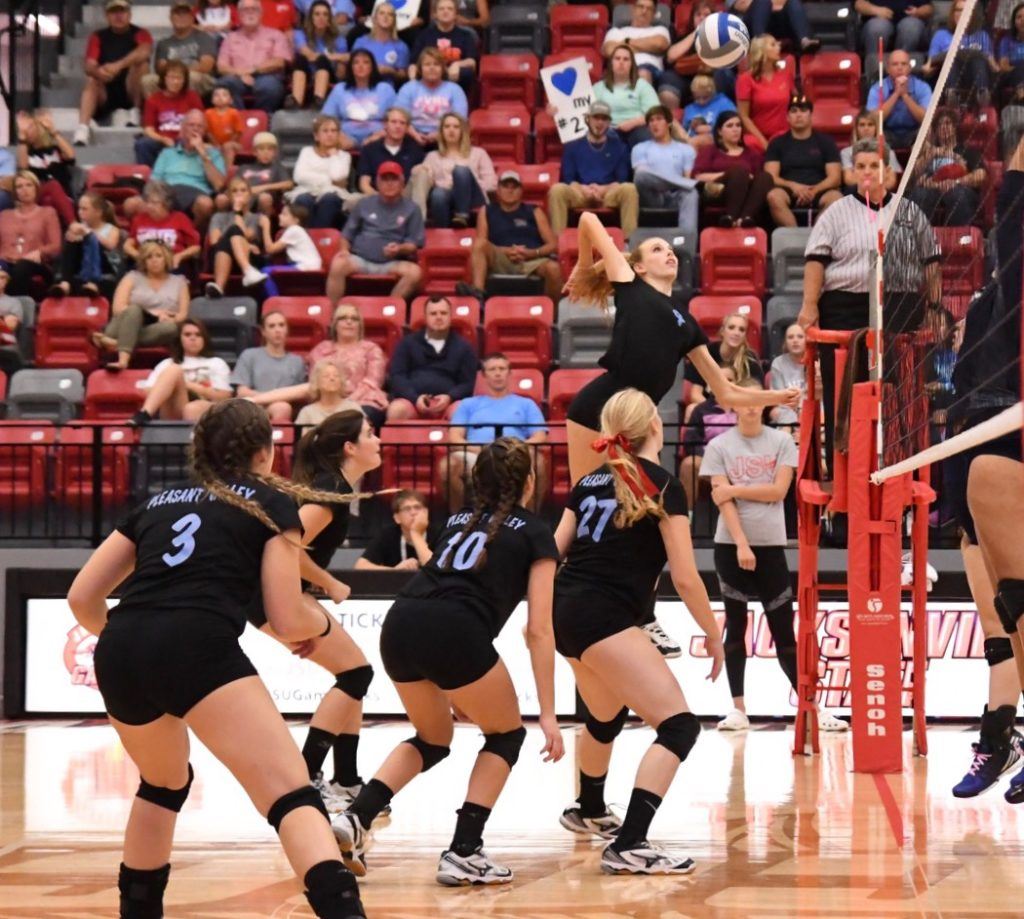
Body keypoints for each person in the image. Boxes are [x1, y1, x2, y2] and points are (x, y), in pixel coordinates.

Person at [66, 398, 367, 919]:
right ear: (264, 451)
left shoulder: (156, 503)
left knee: (163, 784)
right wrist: (318, 626)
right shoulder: (269, 502)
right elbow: (286, 614)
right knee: (292, 795)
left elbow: (81, 599)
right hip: (197, 642)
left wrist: (134, 637)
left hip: (121, 648)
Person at [332, 437, 564, 886]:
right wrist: (550, 715)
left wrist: (453, 682)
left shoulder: (454, 522)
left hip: (401, 623)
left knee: (433, 738)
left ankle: (355, 818)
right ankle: (464, 850)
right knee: (507, 735)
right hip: (454, 630)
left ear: (477, 482)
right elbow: (538, 629)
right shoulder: (536, 532)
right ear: (530, 482)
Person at [551, 388, 724, 872]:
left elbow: (551, 550)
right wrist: (713, 634)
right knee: (679, 727)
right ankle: (630, 842)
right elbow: (686, 577)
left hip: (565, 610)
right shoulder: (664, 484)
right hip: (605, 614)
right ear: (655, 426)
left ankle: (587, 810)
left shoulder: (588, 481)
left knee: (605, 716)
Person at [562, 211, 799, 484]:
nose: (669, 253)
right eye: (657, 249)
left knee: (647, 505)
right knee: (585, 502)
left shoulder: (687, 323)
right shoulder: (630, 283)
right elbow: (588, 220)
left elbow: (727, 393)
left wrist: (778, 397)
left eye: (671, 250)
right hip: (598, 407)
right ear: (639, 267)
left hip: (641, 420)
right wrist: (582, 265)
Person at [244, 411, 384, 818]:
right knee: (357, 675)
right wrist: (331, 583)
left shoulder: (335, 488)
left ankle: (347, 779)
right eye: (370, 434)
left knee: (354, 673)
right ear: (350, 447)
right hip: (271, 593)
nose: (378, 440)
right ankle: (308, 777)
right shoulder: (327, 492)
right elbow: (284, 545)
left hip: (281, 593)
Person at [939, 134, 1024, 799]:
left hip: (1006, 425)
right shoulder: (999, 288)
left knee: (1015, 599)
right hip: (969, 429)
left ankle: (1001, 735)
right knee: (999, 613)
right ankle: (999, 735)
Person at [701, 379, 848, 733]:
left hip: (771, 547)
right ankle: (738, 709)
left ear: (765, 404)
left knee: (784, 632)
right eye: (743, 399)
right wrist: (740, 544)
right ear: (734, 404)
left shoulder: (781, 441)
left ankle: (812, 707)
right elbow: (722, 503)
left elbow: (778, 491)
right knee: (736, 628)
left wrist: (734, 488)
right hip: (731, 547)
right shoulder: (719, 445)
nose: (750, 405)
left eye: (756, 399)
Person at [798, 138, 940, 475]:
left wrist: (934, 306)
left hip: (899, 306)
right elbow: (815, 260)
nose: (866, 172)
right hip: (845, 308)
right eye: (860, 166)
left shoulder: (908, 210)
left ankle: (902, 473)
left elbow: (931, 261)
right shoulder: (836, 211)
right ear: (851, 172)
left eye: (873, 166)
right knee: (843, 396)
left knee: (900, 395)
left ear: (888, 171)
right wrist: (809, 305)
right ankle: (843, 475)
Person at [438, 352, 549, 513]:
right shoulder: (468, 404)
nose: (498, 373)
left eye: (502, 369)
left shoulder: (526, 404)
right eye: (492, 369)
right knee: (448, 466)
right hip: (476, 453)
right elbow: (455, 436)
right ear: (483, 375)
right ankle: (460, 519)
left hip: (515, 452)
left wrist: (515, 448)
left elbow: (540, 436)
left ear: (509, 373)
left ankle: (528, 518)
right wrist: (478, 449)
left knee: (538, 462)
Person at [326, 162, 424, 303]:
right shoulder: (364, 204)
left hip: (392, 262)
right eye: (385, 179)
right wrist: (344, 250)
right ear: (377, 182)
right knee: (338, 263)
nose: (389, 184)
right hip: (361, 259)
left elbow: (413, 244)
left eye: (394, 179)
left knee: (415, 273)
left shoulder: (412, 209)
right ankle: (333, 315)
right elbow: (347, 234)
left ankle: (388, 308)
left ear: (402, 182)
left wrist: (399, 249)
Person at [458, 169, 562, 302]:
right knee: (479, 244)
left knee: (553, 269)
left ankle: (552, 313)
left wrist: (531, 253)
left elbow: (553, 245)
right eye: (505, 186)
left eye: (514, 187)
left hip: (531, 260)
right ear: (498, 190)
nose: (510, 190)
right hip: (500, 257)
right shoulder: (487, 211)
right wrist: (507, 251)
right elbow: (481, 241)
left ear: (521, 191)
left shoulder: (534, 211)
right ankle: (478, 294)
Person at [94, 240, 189, 370]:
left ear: (166, 258)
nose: (154, 260)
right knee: (134, 309)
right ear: (143, 261)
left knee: (171, 328)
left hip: (158, 329)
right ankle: (123, 360)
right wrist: (152, 314)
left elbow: (183, 314)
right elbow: (117, 309)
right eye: (149, 257)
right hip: (123, 325)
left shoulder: (179, 282)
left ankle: (118, 343)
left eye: (158, 256)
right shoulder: (131, 277)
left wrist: (172, 319)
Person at [548, 101, 638, 236]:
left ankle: (629, 243)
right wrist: (585, 190)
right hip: (580, 192)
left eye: (604, 119)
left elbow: (621, 180)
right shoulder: (572, 146)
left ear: (609, 122)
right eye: (596, 118)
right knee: (557, 190)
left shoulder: (619, 146)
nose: (600, 123)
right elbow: (568, 179)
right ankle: (558, 243)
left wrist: (601, 190)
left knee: (629, 189)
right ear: (587, 119)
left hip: (608, 193)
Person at [73, 0, 153, 146]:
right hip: (107, 90)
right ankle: (82, 128)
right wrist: (99, 72)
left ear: (129, 14)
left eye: (122, 11)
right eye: (114, 12)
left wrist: (118, 65)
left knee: (142, 65)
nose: (118, 16)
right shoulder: (98, 36)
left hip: (131, 89)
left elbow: (145, 51)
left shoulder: (141, 33)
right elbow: (89, 65)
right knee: (92, 79)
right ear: (107, 15)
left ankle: (135, 112)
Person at [385, 296, 477, 421]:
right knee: (396, 410)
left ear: (450, 316)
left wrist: (450, 397)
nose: (439, 317)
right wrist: (415, 398)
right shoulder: (407, 343)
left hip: (449, 404)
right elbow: (397, 376)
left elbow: (468, 383)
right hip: (412, 403)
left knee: (460, 412)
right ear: (425, 317)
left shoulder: (464, 347)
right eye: (433, 313)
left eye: (443, 313)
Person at [132, 318, 232, 424]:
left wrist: (190, 386)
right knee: (174, 369)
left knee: (191, 408)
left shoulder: (216, 362)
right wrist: (172, 387)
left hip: (206, 408)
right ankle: (144, 414)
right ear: (179, 339)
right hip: (175, 408)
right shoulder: (167, 363)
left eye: (198, 335)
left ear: (204, 339)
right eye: (187, 335)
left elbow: (224, 396)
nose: (193, 338)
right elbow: (147, 392)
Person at [764, 94, 842, 228]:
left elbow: (835, 178)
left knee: (837, 198)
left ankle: (816, 238)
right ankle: (795, 238)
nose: (798, 115)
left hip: (819, 189)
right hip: (788, 190)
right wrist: (794, 186)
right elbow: (771, 176)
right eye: (794, 111)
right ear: (787, 117)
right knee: (773, 196)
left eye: (803, 111)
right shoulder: (777, 143)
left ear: (811, 115)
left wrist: (814, 190)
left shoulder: (826, 142)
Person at [306, 303, 389, 428]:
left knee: (354, 417)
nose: (349, 322)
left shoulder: (371, 349)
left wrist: (346, 403)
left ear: (360, 325)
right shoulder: (321, 349)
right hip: (328, 401)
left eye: (354, 319)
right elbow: (317, 381)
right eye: (343, 318)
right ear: (335, 325)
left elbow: (372, 382)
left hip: (364, 401)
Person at [410, 112, 496, 228]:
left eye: (456, 127)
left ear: (463, 131)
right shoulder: (432, 156)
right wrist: (418, 170)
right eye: (447, 127)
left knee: (460, 171)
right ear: (441, 131)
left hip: (473, 199)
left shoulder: (479, 153)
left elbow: (491, 184)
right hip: (445, 201)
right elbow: (427, 181)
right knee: (438, 193)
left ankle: (462, 215)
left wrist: (463, 185)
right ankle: (442, 233)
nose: (451, 130)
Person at [693, 110, 773, 228]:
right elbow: (698, 176)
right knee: (739, 172)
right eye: (730, 126)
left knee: (766, 177)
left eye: (738, 125)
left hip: (747, 193)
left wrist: (746, 177)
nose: (735, 129)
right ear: (720, 131)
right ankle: (731, 217)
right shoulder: (710, 151)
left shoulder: (752, 153)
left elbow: (758, 180)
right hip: (718, 191)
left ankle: (744, 218)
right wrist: (729, 175)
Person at [908, 108, 986, 227]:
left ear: (955, 127)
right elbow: (913, 177)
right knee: (919, 193)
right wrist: (931, 154)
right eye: (939, 125)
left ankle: (959, 239)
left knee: (956, 193)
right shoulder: (928, 154)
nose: (943, 127)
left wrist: (956, 182)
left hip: (958, 188)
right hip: (931, 189)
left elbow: (980, 176)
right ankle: (917, 237)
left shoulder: (968, 152)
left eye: (948, 123)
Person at [150, 109, 227, 228]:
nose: (195, 129)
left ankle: (191, 236)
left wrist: (203, 153)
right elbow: (154, 181)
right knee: (132, 204)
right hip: (167, 193)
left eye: (199, 126)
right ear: (182, 128)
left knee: (205, 204)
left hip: (196, 193)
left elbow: (218, 185)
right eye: (191, 125)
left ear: (204, 131)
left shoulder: (214, 154)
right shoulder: (167, 153)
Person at [682, 311, 765, 422]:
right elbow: (695, 394)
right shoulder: (706, 353)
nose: (736, 333)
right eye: (731, 327)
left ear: (745, 335)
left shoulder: (750, 359)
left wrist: (732, 409)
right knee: (691, 409)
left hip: (739, 408)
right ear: (722, 331)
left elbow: (755, 394)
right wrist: (716, 409)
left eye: (741, 329)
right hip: (708, 406)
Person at [630, 105, 699, 237]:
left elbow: (687, 178)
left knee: (692, 192)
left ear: (668, 123)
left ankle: (686, 244)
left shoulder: (685, 149)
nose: (654, 124)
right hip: (651, 196)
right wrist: (678, 182)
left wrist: (682, 184)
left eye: (659, 119)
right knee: (641, 175)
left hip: (675, 196)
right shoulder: (640, 148)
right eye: (651, 121)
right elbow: (641, 177)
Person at [600, 0, 682, 106]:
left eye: (649, 9)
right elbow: (609, 51)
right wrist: (645, 46)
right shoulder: (616, 31)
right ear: (633, 9)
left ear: (654, 14)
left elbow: (660, 45)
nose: (644, 11)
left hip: (649, 71)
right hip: (618, 70)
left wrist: (626, 42)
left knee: (642, 73)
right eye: (641, 7)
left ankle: (641, 115)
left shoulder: (660, 30)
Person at [232, 311, 310, 421]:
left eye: (281, 325)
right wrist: (269, 398)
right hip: (252, 406)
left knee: (282, 407)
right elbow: (242, 392)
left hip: (282, 406)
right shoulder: (249, 355)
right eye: (272, 326)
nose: (277, 330)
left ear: (287, 330)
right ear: (263, 331)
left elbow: (301, 395)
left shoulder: (297, 361)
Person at [215, 0, 291, 113]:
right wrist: (241, 73)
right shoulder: (230, 38)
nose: (250, 13)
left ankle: (261, 119)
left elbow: (279, 62)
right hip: (237, 77)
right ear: (239, 15)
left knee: (269, 86)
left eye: (254, 9)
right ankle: (239, 120)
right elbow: (221, 67)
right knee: (225, 84)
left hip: (266, 76)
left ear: (261, 13)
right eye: (245, 10)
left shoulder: (276, 35)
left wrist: (253, 70)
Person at [679, 365, 736, 511]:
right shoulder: (700, 410)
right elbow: (691, 442)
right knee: (688, 464)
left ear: (737, 383)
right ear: (710, 384)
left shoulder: (744, 407)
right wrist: (711, 458)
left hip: (739, 461)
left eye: (730, 379)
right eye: (720, 379)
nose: (724, 383)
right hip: (708, 461)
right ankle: (686, 519)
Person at [0, 171, 62, 299]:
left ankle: (15, 309)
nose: (24, 190)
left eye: (29, 185)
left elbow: (56, 247)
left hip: (34, 264)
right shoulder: (4, 215)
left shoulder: (48, 213)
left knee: (22, 267)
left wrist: (40, 252)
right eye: (19, 186)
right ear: (15, 192)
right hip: (5, 261)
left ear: (36, 188)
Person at [923, 0, 997, 105]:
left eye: (965, 10)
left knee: (977, 60)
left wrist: (998, 69)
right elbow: (930, 62)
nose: (960, 14)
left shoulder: (982, 35)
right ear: (952, 13)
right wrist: (927, 69)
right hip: (950, 75)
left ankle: (982, 95)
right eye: (957, 10)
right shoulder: (941, 35)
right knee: (952, 59)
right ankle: (952, 96)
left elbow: (992, 63)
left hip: (975, 75)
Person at [51, 191, 123, 299]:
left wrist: (89, 233)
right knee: (73, 242)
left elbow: (110, 246)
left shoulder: (112, 229)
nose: (80, 213)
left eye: (85, 209)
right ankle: (65, 282)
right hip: (79, 266)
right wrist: (72, 234)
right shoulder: (79, 228)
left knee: (90, 240)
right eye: (79, 209)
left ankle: (93, 282)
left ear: (98, 212)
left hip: (103, 266)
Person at [320, 50, 398, 149]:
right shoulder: (340, 89)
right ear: (351, 67)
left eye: (366, 62)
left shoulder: (385, 88)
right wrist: (337, 134)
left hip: (378, 135)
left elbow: (398, 117)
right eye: (356, 62)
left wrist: (382, 133)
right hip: (346, 135)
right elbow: (325, 118)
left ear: (372, 67)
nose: (360, 66)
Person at [135, 60, 205, 168]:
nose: (175, 82)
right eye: (172, 78)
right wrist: (162, 139)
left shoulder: (192, 97)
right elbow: (149, 129)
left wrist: (187, 136)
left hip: (186, 139)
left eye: (179, 78)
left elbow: (202, 123)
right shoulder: (153, 99)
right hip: (162, 139)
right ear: (164, 79)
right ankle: (149, 177)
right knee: (142, 144)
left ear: (184, 80)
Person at [141, 0, 217, 99]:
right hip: (171, 76)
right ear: (171, 18)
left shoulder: (203, 37)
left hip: (200, 78)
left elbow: (206, 65)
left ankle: (186, 110)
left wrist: (179, 73)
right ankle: (156, 111)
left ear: (192, 18)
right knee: (147, 80)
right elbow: (160, 68)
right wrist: (176, 74)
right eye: (177, 14)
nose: (181, 17)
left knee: (191, 77)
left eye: (185, 14)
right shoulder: (164, 43)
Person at [289, 115, 353, 230]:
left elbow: (337, 176)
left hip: (333, 195)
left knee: (330, 199)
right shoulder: (306, 152)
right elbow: (299, 176)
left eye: (334, 131)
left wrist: (334, 155)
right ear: (316, 136)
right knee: (304, 199)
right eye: (325, 131)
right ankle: (308, 236)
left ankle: (317, 237)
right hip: (306, 191)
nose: (330, 134)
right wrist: (329, 181)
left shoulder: (344, 156)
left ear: (338, 135)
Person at [205, 176, 265, 297]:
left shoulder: (257, 218)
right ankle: (247, 272)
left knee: (234, 230)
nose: (239, 194)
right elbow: (214, 241)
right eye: (234, 191)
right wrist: (246, 244)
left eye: (243, 190)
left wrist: (238, 211)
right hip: (220, 259)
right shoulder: (218, 217)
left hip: (250, 258)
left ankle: (220, 285)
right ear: (228, 196)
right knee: (230, 234)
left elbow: (247, 235)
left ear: (250, 194)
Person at [395, 48, 469, 147]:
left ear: (443, 68)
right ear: (420, 69)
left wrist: (439, 135)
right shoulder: (408, 88)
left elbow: (460, 120)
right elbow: (399, 116)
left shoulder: (455, 90)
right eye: (427, 64)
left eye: (436, 64)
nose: (432, 68)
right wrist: (414, 135)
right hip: (412, 136)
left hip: (446, 138)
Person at [15, 109, 77, 227]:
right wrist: (22, 137)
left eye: (31, 127)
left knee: (51, 200)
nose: (28, 131)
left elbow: (70, 155)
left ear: (40, 128)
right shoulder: (27, 153)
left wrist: (53, 131)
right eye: (25, 129)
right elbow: (23, 168)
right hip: (38, 195)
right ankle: (73, 224)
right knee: (53, 185)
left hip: (61, 197)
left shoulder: (54, 150)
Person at [592, 44, 660, 148]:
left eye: (626, 59)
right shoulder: (598, 87)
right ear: (611, 63)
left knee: (645, 137)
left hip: (636, 129)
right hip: (607, 130)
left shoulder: (642, 86)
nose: (621, 62)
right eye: (617, 58)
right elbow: (588, 113)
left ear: (632, 64)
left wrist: (632, 123)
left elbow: (655, 113)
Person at [124, 180, 202, 269]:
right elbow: (128, 244)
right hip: (144, 265)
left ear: (166, 203)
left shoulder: (180, 218)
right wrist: (138, 256)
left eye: (154, 203)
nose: (149, 206)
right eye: (147, 202)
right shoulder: (139, 219)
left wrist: (179, 256)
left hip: (171, 264)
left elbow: (195, 247)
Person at [736, 35, 794, 152]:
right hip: (756, 136)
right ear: (761, 51)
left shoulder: (786, 75)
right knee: (750, 145)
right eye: (773, 44)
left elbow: (794, 106)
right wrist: (763, 142)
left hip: (782, 134)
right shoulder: (745, 79)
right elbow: (744, 116)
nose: (779, 47)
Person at [355, 489, 437, 571]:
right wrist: (394, 571)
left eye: (417, 507)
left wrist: (415, 533)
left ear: (426, 512)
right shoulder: (388, 535)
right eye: (407, 509)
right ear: (397, 518)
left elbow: (436, 569)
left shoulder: (439, 534)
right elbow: (360, 566)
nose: (413, 512)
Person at [866, 50, 932, 150]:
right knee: (872, 131)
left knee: (929, 130)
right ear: (887, 69)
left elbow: (927, 119)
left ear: (909, 68)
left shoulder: (922, 87)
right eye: (895, 64)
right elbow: (873, 119)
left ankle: (921, 165)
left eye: (904, 64)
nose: (900, 67)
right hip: (887, 132)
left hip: (914, 132)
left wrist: (905, 96)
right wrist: (896, 94)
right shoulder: (877, 88)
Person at [409, 0, 479, 94]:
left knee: (467, 72)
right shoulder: (424, 35)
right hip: (428, 78)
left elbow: (472, 62)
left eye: (450, 9)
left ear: (455, 14)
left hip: (454, 80)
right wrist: (413, 83)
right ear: (435, 14)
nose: (445, 11)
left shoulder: (466, 36)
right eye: (441, 9)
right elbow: (413, 63)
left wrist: (458, 64)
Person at [355, 107, 426, 196]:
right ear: (385, 125)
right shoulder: (370, 149)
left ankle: (418, 210)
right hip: (376, 197)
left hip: (406, 198)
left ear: (407, 128)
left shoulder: (415, 149)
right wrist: (381, 200)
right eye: (393, 122)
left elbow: (418, 181)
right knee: (352, 201)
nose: (398, 126)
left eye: (402, 123)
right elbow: (364, 184)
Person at [290, 0, 347, 109]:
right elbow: (307, 53)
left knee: (322, 60)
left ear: (329, 19)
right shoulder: (300, 34)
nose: (321, 18)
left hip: (329, 75)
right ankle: (296, 102)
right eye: (317, 14)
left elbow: (348, 57)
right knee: (301, 59)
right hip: (306, 72)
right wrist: (333, 57)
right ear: (311, 17)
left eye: (325, 14)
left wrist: (332, 58)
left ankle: (318, 101)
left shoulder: (339, 39)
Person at [259, 201, 325, 296]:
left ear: (296, 220)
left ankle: (275, 301)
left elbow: (270, 249)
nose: (280, 216)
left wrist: (266, 226)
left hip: (306, 266)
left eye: (284, 214)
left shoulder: (294, 229)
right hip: (303, 265)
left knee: (266, 272)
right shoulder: (295, 230)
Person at [855, 0, 932, 76]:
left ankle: (905, 74)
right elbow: (859, 4)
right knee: (877, 28)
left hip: (910, 21)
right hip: (878, 19)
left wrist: (917, 12)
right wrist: (876, 10)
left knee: (910, 27)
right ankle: (874, 74)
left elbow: (928, 8)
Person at [235, 132, 294, 217]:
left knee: (264, 197)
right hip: (244, 197)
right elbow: (233, 185)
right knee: (222, 199)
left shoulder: (277, 168)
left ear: (275, 152)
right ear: (254, 152)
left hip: (264, 201)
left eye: (270, 149)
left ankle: (263, 227)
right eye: (261, 149)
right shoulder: (244, 168)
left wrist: (262, 188)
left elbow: (289, 184)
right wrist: (247, 191)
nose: (266, 153)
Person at [840, 110, 900, 193]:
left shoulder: (889, 152)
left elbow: (891, 182)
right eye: (862, 125)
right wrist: (875, 181)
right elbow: (849, 180)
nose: (866, 128)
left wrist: (870, 186)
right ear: (856, 128)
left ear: (876, 128)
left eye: (870, 124)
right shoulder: (846, 152)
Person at [350, 3, 410, 84]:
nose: (386, 17)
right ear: (375, 18)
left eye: (390, 14)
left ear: (394, 21)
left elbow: (403, 75)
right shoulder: (361, 42)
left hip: (387, 90)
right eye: (382, 13)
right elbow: (352, 67)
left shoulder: (401, 46)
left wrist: (391, 71)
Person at [729, 0, 819, 52]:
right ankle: (761, 42)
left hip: (780, 18)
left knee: (793, 2)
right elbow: (741, 5)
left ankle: (804, 40)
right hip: (754, 20)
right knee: (763, 2)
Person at [295, 361, 363, 427]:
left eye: (336, 375)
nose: (332, 378)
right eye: (326, 376)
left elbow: (365, 435)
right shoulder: (307, 413)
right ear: (316, 382)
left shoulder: (353, 408)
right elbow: (301, 437)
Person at [769, 322, 807, 429]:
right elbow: (779, 398)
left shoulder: (816, 361)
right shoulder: (778, 363)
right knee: (780, 413)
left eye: (800, 336)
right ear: (785, 342)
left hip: (808, 408)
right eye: (790, 337)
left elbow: (816, 396)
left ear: (807, 340)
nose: (795, 340)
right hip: (786, 409)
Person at [681, 74, 735, 142]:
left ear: (713, 93)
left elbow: (733, 123)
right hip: (692, 140)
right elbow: (684, 130)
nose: (701, 102)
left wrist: (711, 128)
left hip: (718, 138)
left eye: (705, 97)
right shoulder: (689, 109)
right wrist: (691, 125)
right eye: (697, 98)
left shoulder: (724, 103)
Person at [205, 86, 244, 171]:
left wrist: (230, 142)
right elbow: (208, 132)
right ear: (212, 100)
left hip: (233, 144)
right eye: (216, 95)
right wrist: (215, 144)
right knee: (206, 147)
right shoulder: (208, 113)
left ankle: (227, 171)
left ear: (231, 100)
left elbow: (238, 132)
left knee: (228, 146)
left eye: (224, 95)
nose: (220, 97)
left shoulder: (234, 113)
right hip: (214, 144)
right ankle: (213, 171)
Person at [997, 3, 1024, 103]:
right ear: (1014, 21)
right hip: (1010, 76)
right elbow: (1003, 66)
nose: (1022, 20)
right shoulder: (1006, 40)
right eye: (1019, 17)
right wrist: (1019, 69)